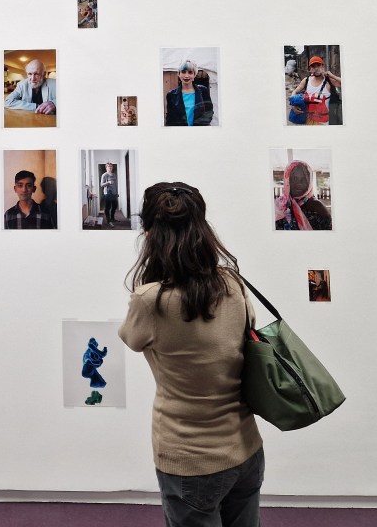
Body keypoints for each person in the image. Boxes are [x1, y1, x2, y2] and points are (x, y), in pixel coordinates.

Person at [119, 182, 264, 527]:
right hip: (245, 449)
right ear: (202, 230)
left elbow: (131, 338)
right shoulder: (233, 284)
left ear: (150, 235)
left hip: (189, 460)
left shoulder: (149, 300)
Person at [274, 160, 332, 231]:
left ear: (309, 182)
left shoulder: (317, 207)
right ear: (287, 181)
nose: (299, 183)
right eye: (295, 179)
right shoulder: (279, 205)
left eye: (304, 179)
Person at [291, 56, 341, 126]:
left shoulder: (328, 81)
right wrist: (293, 104)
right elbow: (295, 91)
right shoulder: (306, 80)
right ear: (310, 69)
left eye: (318, 65)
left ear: (323, 66)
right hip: (308, 121)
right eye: (313, 66)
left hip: (324, 123)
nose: (316, 68)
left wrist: (332, 76)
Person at [165, 59, 213, 126]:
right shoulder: (171, 95)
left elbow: (209, 112)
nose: (186, 76)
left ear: (194, 75)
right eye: (183, 72)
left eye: (190, 72)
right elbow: (170, 119)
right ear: (179, 74)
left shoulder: (203, 90)